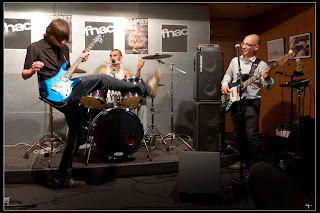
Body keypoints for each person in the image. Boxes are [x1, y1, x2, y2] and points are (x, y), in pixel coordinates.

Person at [22, 19, 160, 188]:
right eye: (59, 39)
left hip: (66, 89)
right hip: (51, 91)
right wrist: (32, 70)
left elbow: (65, 71)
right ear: (49, 33)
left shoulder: (64, 48)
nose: (61, 43)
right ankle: (143, 88)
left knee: (78, 134)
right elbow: (24, 74)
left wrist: (79, 60)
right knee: (102, 79)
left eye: (63, 39)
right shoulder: (34, 47)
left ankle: (63, 177)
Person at [221, 34, 274, 173]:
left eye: (248, 45)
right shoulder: (235, 61)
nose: (244, 47)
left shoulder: (261, 65)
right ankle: (244, 161)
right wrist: (225, 84)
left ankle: (256, 166)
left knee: (252, 134)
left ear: (256, 47)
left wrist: (267, 78)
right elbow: (227, 75)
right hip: (236, 102)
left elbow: (268, 87)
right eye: (243, 43)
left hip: (252, 103)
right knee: (238, 135)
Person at [97, 49, 148, 131]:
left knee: (141, 105)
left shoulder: (124, 71)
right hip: (107, 100)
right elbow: (96, 86)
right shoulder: (103, 70)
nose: (112, 57)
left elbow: (133, 85)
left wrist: (138, 69)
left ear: (121, 57)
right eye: (111, 55)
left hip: (121, 102)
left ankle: (136, 132)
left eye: (115, 55)